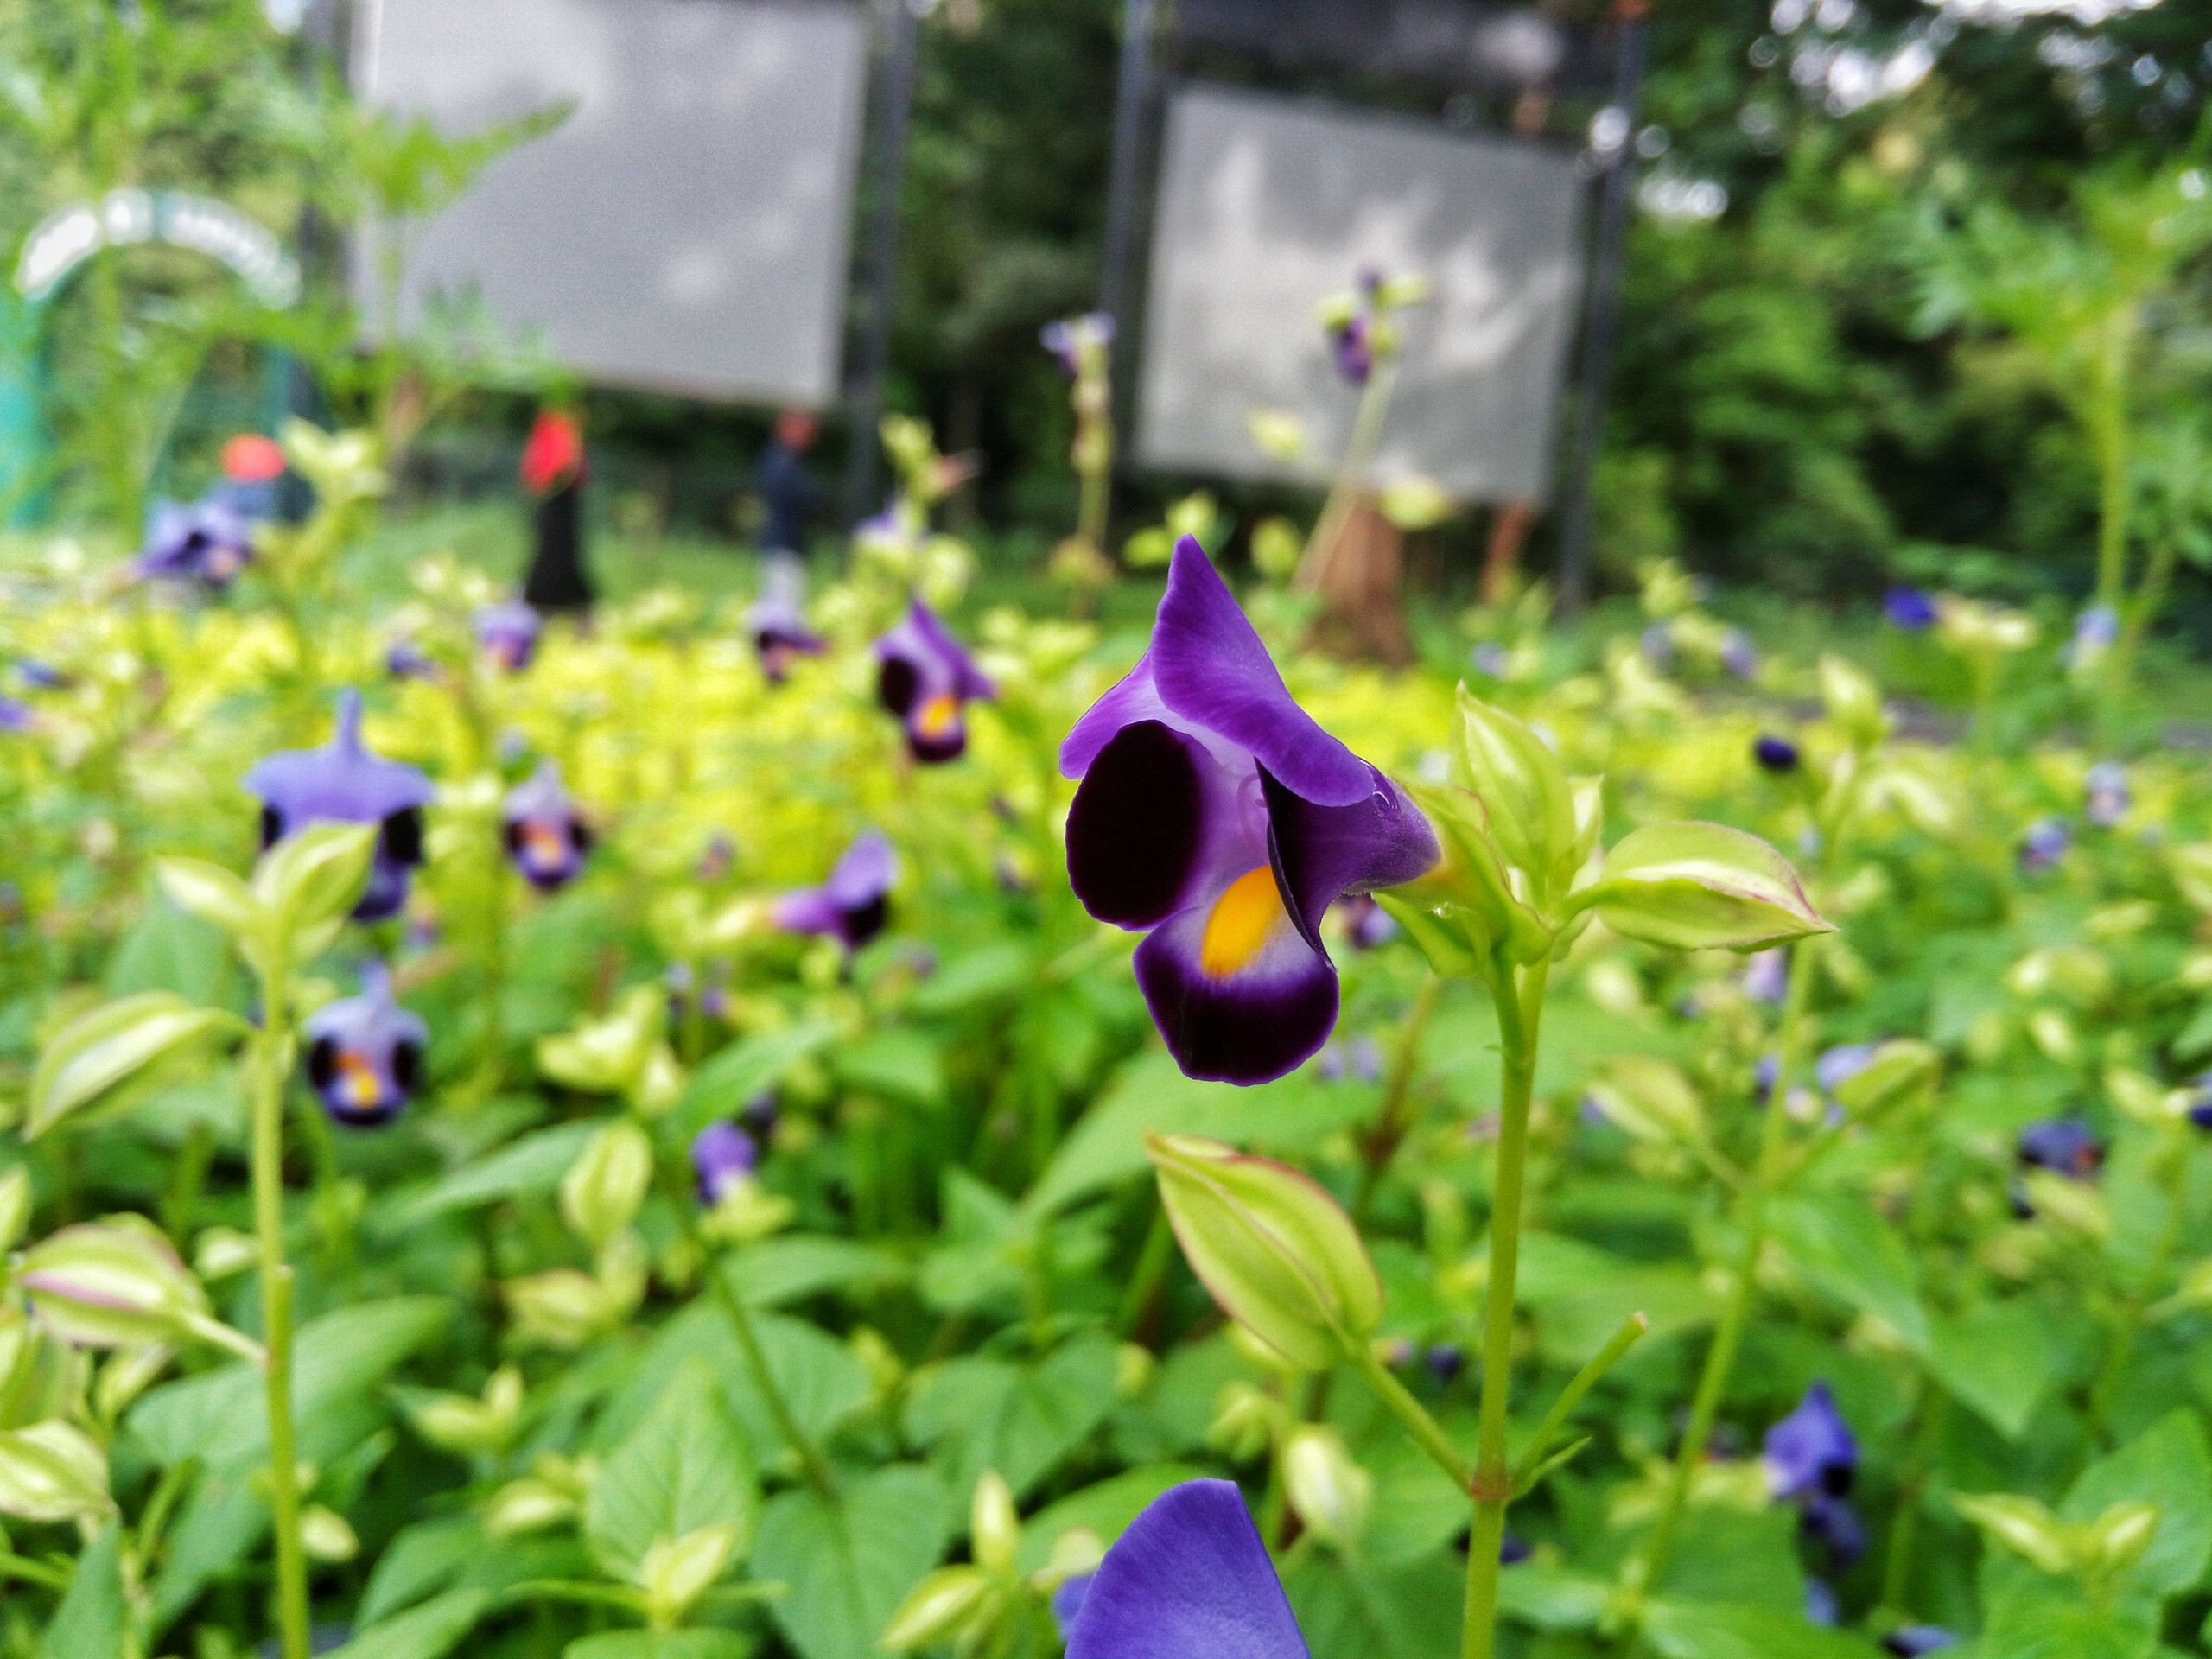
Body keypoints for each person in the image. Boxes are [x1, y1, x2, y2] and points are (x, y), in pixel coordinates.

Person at [521, 407, 593, 613]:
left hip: (564, 501)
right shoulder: (550, 428)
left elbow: (576, 472)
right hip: (551, 500)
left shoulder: (569, 432)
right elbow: (537, 473)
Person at [757, 408, 822, 562]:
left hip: (786, 540)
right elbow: (787, 495)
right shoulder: (781, 461)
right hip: (781, 541)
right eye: (806, 432)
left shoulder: (785, 459)